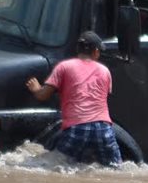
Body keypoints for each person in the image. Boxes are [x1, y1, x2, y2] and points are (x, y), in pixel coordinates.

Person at [26, 31, 121, 166]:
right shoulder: (105, 71)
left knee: (55, 166)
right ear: (95, 51)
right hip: (103, 127)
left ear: (78, 49)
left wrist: (35, 89)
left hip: (77, 127)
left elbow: (43, 95)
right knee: (115, 167)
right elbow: (102, 96)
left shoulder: (64, 67)